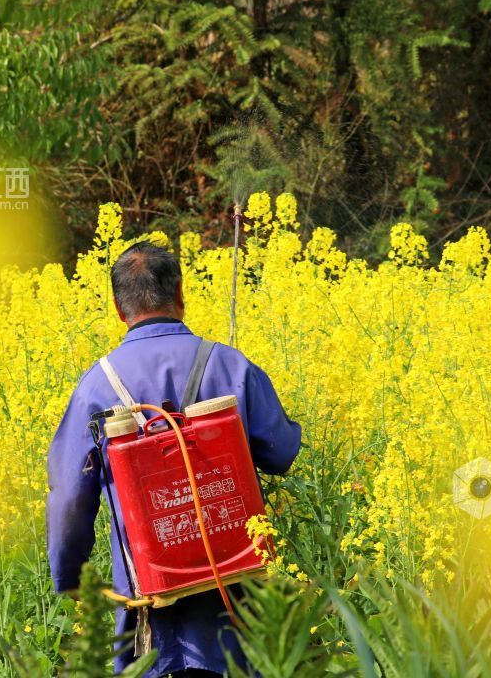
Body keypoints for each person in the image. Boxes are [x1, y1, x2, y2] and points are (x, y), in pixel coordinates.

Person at [46, 242, 302, 677]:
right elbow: (281, 452)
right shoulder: (229, 364)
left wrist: (71, 575)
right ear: (180, 292)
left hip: (150, 604)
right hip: (237, 597)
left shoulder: (96, 386)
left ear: (118, 307)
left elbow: (69, 495)